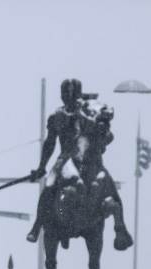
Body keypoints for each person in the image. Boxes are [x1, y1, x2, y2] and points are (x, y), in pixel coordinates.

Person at [26, 78, 128, 247]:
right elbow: (50, 143)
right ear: (61, 96)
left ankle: (121, 229)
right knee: (50, 185)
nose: (69, 98)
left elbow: (107, 134)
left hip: (89, 159)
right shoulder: (57, 117)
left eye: (72, 94)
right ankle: (37, 225)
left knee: (108, 183)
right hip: (65, 160)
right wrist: (42, 167)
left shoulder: (89, 112)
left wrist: (101, 128)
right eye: (66, 94)